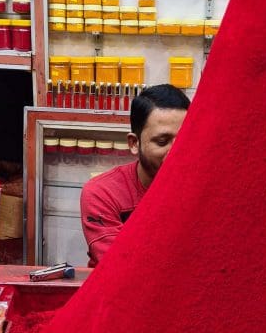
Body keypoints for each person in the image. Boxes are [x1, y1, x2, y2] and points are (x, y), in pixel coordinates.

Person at [80, 84, 190, 266]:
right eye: (162, 142)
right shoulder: (102, 193)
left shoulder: (201, 191)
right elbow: (120, 266)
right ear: (134, 143)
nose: (176, 153)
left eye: (186, 140)